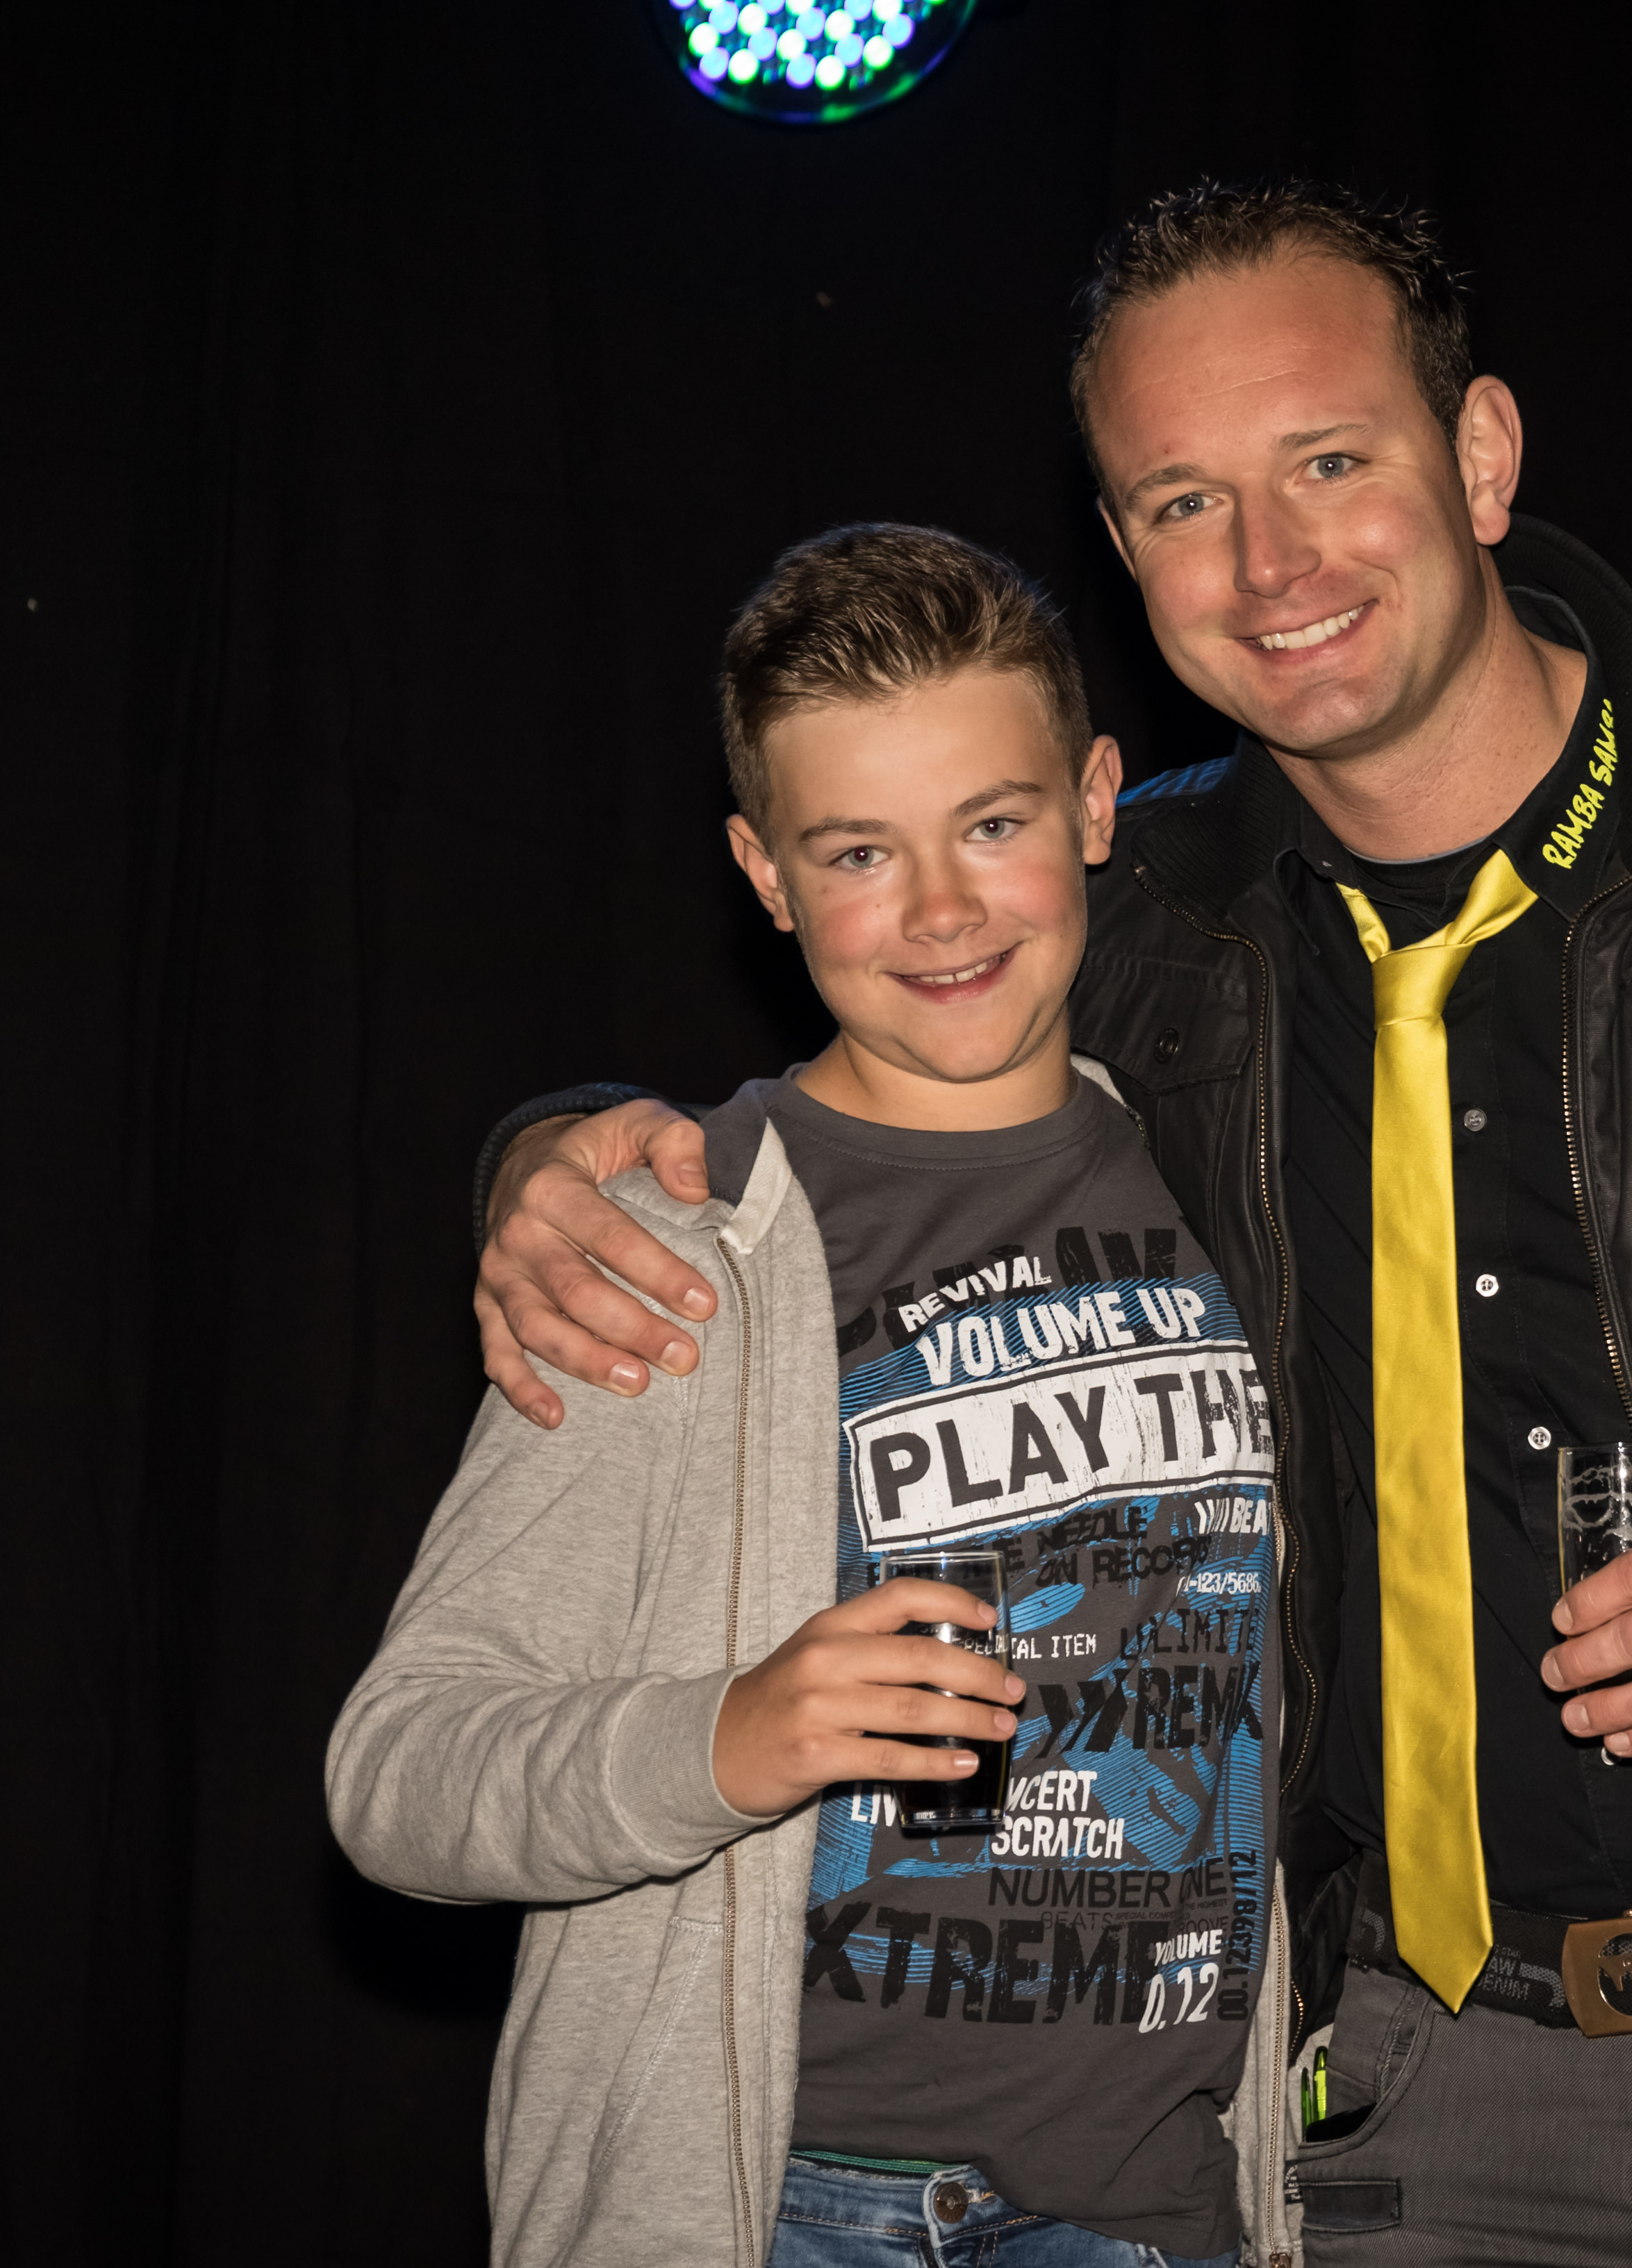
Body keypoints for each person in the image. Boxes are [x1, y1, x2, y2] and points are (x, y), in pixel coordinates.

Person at [472, 183, 1632, 2264]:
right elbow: (833, 1089)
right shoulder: (1121, 923)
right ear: (1124, 552)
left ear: (1480, 453)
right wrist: (553, 1157)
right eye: (1184, 502)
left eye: (1327, 463)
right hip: (1409, 2110)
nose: (1268, 565)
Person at [333, 525, 1297, 2268]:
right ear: (763, 876)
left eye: (990, 823)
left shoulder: (1230, 1173)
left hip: (1156, 2206)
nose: (939, 910)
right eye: (858, 850)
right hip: (785, 2205)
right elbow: (398, 1771)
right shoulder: (675, 1239)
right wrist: (730, 1735)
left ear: (1096, 802)